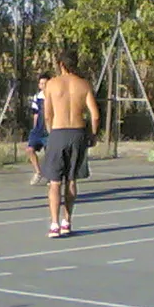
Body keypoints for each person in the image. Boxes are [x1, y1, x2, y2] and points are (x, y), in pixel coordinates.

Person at [41, 48, 99, 238]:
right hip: (78, 131)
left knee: (55, 182)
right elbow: (95, 115)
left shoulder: (51, 84)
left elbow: (47, 114)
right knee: (71, 179)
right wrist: (92, 134)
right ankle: (67, 220)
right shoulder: (83, 85)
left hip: (58, 131)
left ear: (61, 65)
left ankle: (54, 223)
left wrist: (51, 133)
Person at [26, 74, 50, 186]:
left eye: (45, 83)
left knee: (50, 154)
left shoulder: (54, 97)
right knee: (30, 150)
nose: (43, 86)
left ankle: (51, 177)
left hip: (50, 129)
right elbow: (35, 114)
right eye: (41, 83)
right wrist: (34, 128)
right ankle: (38, 172)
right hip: (38, 129)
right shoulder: (37, 97)